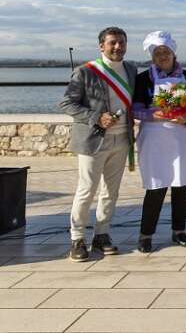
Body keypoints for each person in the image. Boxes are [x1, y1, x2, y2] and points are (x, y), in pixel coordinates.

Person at [60, 26, 137, 262]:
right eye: (112, 42)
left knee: (110, 192)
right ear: (101, 45)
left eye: (121, 43)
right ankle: (77, 239)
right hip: (94, 140)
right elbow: (67, 104)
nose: (117, 47)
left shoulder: (131, 70)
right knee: (87, 190)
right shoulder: (85, 72)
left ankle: (102, 235)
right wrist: (97, 117)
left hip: (122, 139)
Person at [132, 31, 186, 252]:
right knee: (156, 187)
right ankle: (146, 234)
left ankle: (179, 231)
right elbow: (135, 109)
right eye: (157, 53)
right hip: (155, 138)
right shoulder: (143, 79)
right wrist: (154, 115)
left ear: (173, 53)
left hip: (183, 136)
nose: (162, 56)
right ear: (152, 57)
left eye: (166, 52)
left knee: (182, 184)